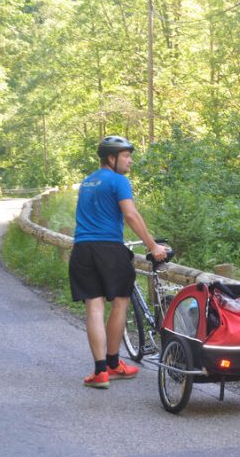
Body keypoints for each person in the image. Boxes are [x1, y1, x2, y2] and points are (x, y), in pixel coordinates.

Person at [69, 135, 168, 389]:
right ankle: (114, 364)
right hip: (109, 249)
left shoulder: (87, 182)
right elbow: (131, 215)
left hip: (82, 249)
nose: (130, 160)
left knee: (94, 306)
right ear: (111, 158)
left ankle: (100, 372)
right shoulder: (118, 181)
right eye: (126, 155)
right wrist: (153, 246)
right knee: (120, 304)